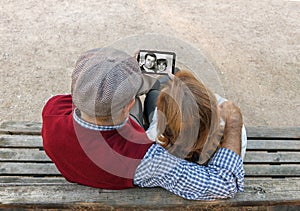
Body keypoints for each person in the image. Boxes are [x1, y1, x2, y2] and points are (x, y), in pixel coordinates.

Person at [42, 47, 244, 200]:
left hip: (81, 169)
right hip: (121, 171)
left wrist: (118, 74)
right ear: (129, 104)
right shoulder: (146, 160)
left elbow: (95, 94)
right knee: (160, 91)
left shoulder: (53, 110)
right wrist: (233, 124)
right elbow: (223, 184)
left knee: (159, 91)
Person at [147, 70, 247, 165]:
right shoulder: (233, 137)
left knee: (153, 95)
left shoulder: (156, 148)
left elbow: (155, 130)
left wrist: (163, 111)